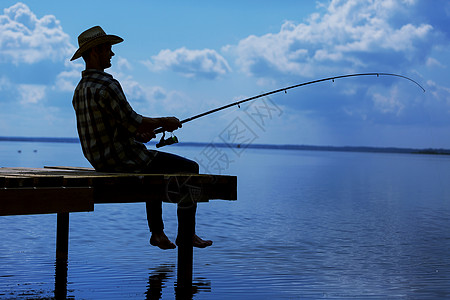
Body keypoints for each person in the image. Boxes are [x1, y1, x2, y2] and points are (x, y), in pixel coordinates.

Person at [71, 26, 212, 250]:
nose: (112, 54)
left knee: (151, 167)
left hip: (99, 161)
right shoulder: (107, 84)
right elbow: (133, 118)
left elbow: (118, 125)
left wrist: (136, 134)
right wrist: (164, 121)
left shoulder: (80, 90)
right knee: (191, 169)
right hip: (121, 159)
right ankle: (186, 235)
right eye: (108, 49)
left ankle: (157, 233)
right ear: (95, 51)